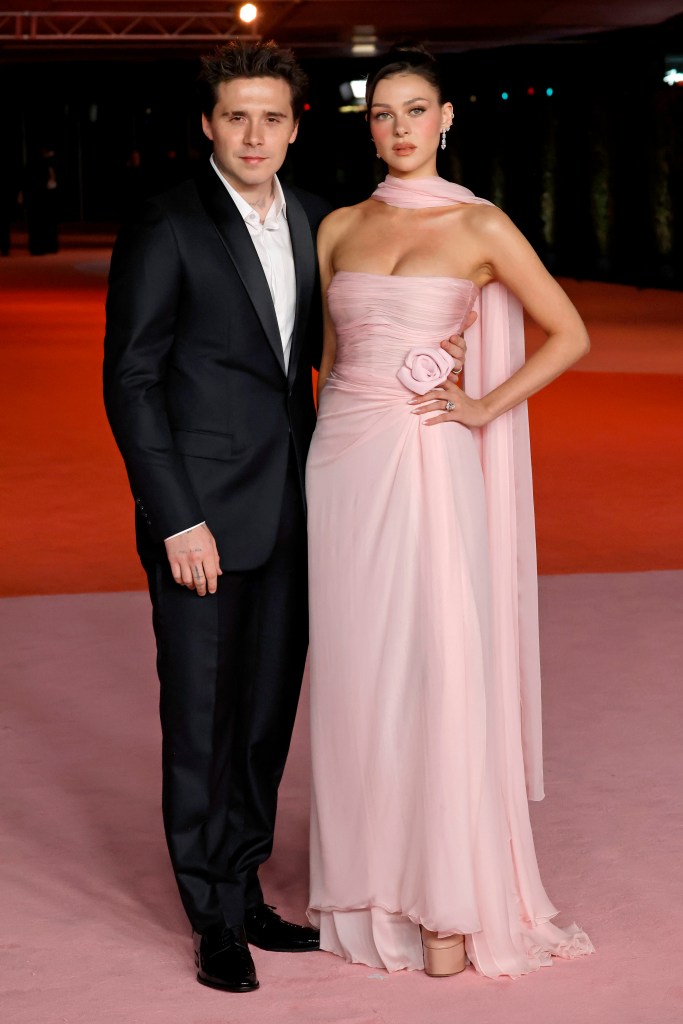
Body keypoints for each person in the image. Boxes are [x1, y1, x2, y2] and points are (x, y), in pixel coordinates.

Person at [306, 46, 595, 980]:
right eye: (382, 113)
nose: (397, 127)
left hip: (430, 461)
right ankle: (369, 886)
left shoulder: (479, 222)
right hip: (341, 463)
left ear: (445, 119)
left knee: (437, 665)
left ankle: (447, 897)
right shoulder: (338, 228)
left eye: (414, 109)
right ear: (369, 125)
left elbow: (570, 332)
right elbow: (324, 357)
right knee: (357, 673)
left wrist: (480, 406)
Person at [103, 41, 329, 994]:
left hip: (296, 507)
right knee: (201, 719)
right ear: (207, 123)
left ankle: (243, 886)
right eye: (235, 115)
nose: (253, 134)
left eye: (271, 117)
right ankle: (210, 919)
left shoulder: (315, 220)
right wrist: (175, 519)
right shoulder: (168, 220)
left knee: (265, 717)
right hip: (199, 520)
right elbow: (132, 380)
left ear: (293, 125)